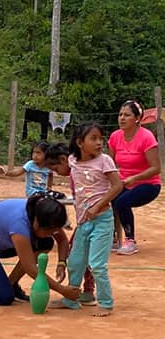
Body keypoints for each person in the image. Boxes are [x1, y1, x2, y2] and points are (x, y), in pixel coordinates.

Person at [49, 122, 122, 317]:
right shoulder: (72, 160)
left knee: (97, 264)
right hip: (83, 222)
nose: (99, 143)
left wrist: (98, 206)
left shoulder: (105, 160)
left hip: (102, 220)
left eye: (100, 138)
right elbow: (58, 163)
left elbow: (117, 186)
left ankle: (106, 303)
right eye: (94, 138)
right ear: (80, 143)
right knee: (75, 262)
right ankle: (71, 299)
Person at [108, 100, 161, 254]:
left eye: (127, 115)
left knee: (122, 202)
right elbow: (110, 164)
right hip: (124, 182)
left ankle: (130, 240)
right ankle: (113, 238)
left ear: (137, 119)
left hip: (148, 184)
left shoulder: (146, 137)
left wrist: (134, 178)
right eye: (120, 115)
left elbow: (156, 168)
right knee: (108, 198)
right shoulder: (115, 136)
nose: (122, 118)